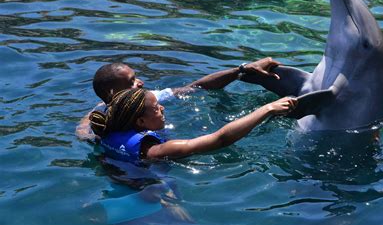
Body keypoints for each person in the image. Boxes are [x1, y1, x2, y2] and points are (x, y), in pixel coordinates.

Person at [76, 58, 282, 141]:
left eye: (135, 77)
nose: (140, 83)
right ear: (113, 94)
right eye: (131, 82)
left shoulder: (149, 99)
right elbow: (83, 132)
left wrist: (241, 70)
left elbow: (197, 87)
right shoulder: (102, 118)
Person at [89, 88, 297, 162]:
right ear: (141, 122)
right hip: (148, 198)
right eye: (156, 107)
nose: (162, 108)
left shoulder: (104, 133)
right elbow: (221, 139)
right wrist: (267, 108)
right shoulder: (159, 151)